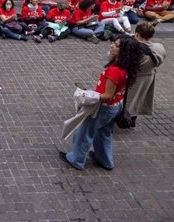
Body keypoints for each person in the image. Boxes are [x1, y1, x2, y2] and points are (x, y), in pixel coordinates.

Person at [59, 37, 142, 171]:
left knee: (83, 133)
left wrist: (88, 95)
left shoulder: (114, 70)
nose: (111, 46)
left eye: (116, 45)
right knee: (104, 133)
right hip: (116, 106)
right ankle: (105, 160)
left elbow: (107, 96)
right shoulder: (127, 68)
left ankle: (76, 160)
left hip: (103, 108)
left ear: (124, 52)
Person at [126, 22, 166, 126]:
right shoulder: (159, 47)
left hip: (134, 78)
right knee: (139, 98)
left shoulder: (134, 49)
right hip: (149, 76)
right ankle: (133, 120)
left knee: (129, 100)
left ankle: (125, 120)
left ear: (137, 34)